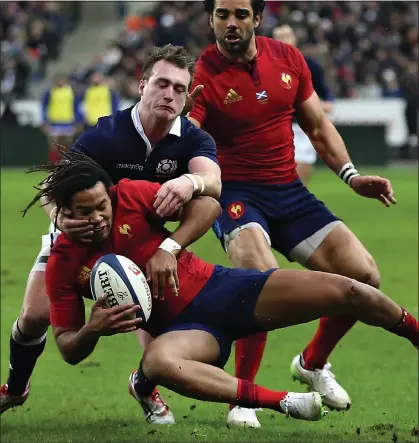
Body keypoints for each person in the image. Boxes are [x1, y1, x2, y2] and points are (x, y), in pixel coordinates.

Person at [25, 151, 418, 426]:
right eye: (82, 212)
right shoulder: (62, 264)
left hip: (224, 290)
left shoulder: (129, 194)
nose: (96, 218)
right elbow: (67, 348)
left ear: (109, 196)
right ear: (61, 213)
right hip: (187, 335)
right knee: (159, 362)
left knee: (350, 290)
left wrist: (169, 246)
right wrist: (93, 328)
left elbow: (209, 206)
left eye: (101, 208)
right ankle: (282, 402)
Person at [186, 0, 397, 427]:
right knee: (261, 283)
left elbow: (318, 126)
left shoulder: (288, 59)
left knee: (365, 276)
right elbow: (188, 141)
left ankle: (312, 363)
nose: (231, 23)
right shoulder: (201, 75)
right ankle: (241, 398)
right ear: (210, 19)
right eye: (222, 14)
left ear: (257, 19)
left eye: (240, 14)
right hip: (236, 195)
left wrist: (352, 177)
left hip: (289, 192)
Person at [0, 45, 221, 425]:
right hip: (81, 235)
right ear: (142, 85)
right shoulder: (106, 134)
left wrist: (190, 181)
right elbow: (53, 188)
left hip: (140, 242)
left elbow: (213, 183)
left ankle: (145, 387)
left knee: (155, 325)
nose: (170, 94)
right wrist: (60, 220)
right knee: (35, 314)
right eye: (162, 84)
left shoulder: (194, 140)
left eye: (180, 89)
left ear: (187, 97)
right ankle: (16, 387)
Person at [272, 24, 334, 185]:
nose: (284, 39)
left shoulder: (310, 65)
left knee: (302, 168)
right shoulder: (263, 66)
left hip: (302, 126)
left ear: (294, 38)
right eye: (280, 36)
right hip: (274, 127)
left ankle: (296, 203)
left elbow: (325, 94)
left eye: (287, 35)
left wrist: (326, 105)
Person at [41, 74, 82, 163]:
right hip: (54, 122)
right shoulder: (50, 92)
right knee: (54, 145)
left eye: (62, 80)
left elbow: (76, 107)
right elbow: (44, 107)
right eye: (58, 80)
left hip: (68, 122)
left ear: (66, 81)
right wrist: (44, 120)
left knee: (67, 145)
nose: (60, 81)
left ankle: (66, 164)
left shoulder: (72, 92)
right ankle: (54, 165)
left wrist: (79, 120)